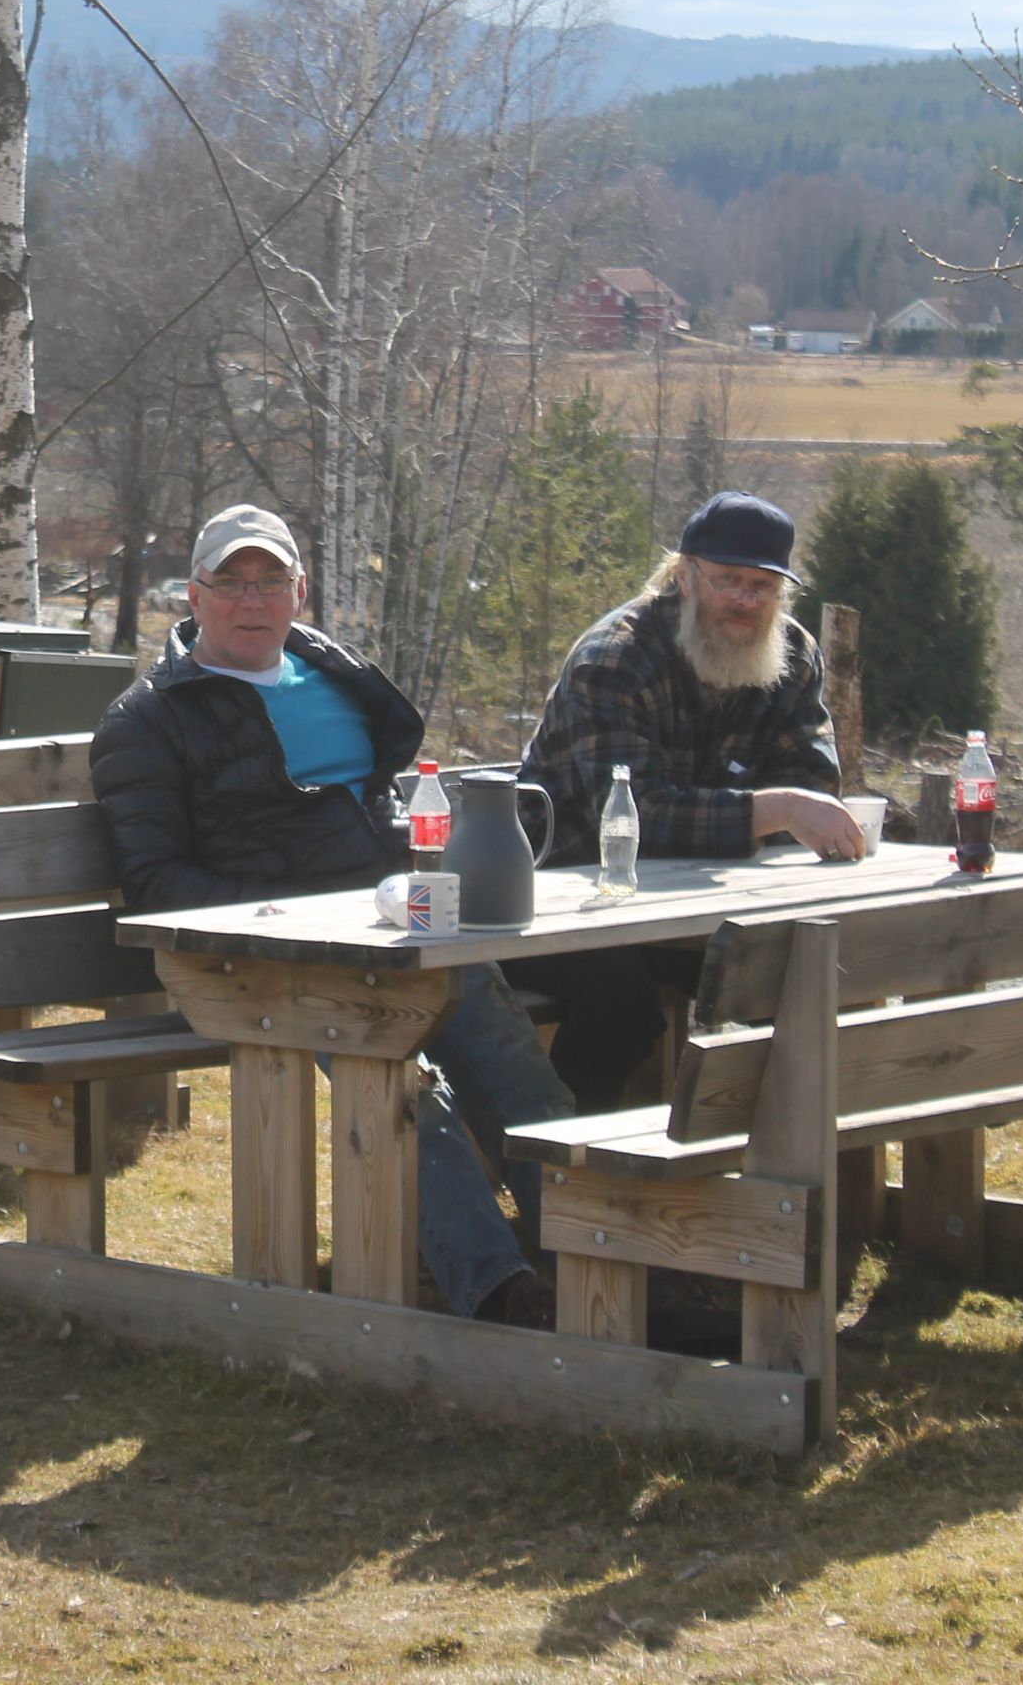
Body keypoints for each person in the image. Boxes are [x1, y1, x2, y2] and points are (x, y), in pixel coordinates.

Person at [91, 503, 573, 1328]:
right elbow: (156, 881)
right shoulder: (148, 720)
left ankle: (596, 1253)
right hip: (259, 959)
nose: (252, 601)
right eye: (230, 583)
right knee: (400, 1077)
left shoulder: (336, 676)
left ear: (300, 592)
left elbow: (381, 807)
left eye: (270, 581)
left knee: (506, 1044)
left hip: (391, 932)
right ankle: (498, 1290)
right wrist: (293, 917)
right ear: (194, 597)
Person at [513, 489, 861, 1109]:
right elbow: (631, 817)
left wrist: (779, 809)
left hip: (701, 906)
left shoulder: (792, 654)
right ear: (683, 575)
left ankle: (786, 1153)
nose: (745, 600)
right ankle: (557, 1163)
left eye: (763, 586)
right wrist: (775, 810)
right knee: (620, 1005)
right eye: (728, 580)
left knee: (812, 975)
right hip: (564, 906)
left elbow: (813, 781)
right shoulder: (615, 658)